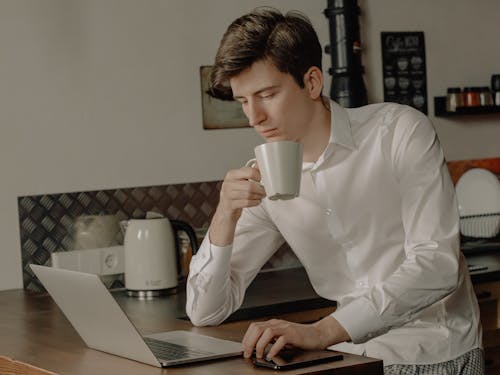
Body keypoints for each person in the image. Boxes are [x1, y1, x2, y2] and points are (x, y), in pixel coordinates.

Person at [186, 7, 483, 374]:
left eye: (266, 94)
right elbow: (206, 310)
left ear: (312, 82)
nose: (253, 117)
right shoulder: (264, 175)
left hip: (432, 354)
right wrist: (224, 214)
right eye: (243, 101)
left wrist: (323, 331)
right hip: (348, 360)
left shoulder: (399, 132)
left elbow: (438, 265)